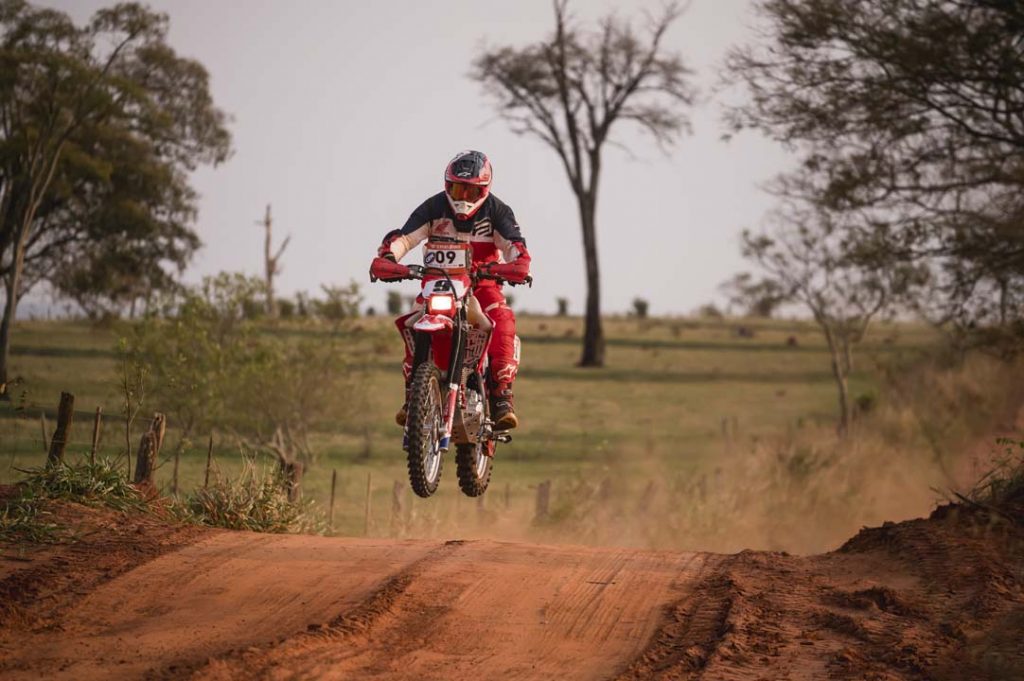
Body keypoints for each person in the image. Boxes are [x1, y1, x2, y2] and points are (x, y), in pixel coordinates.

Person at [370, 150, 532, 431]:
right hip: (438, 284)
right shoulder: (433, 208)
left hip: (483, 285)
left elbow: (514, 247)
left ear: (484, 189)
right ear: (447, 185)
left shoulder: (498, 212)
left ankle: (502, 395)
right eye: (458, 188)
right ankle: (413, 395)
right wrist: (389, 259)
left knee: (503, 319)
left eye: (471, 191)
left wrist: (518, 264)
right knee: (412, 320)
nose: (463, 197)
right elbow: (405, 238)